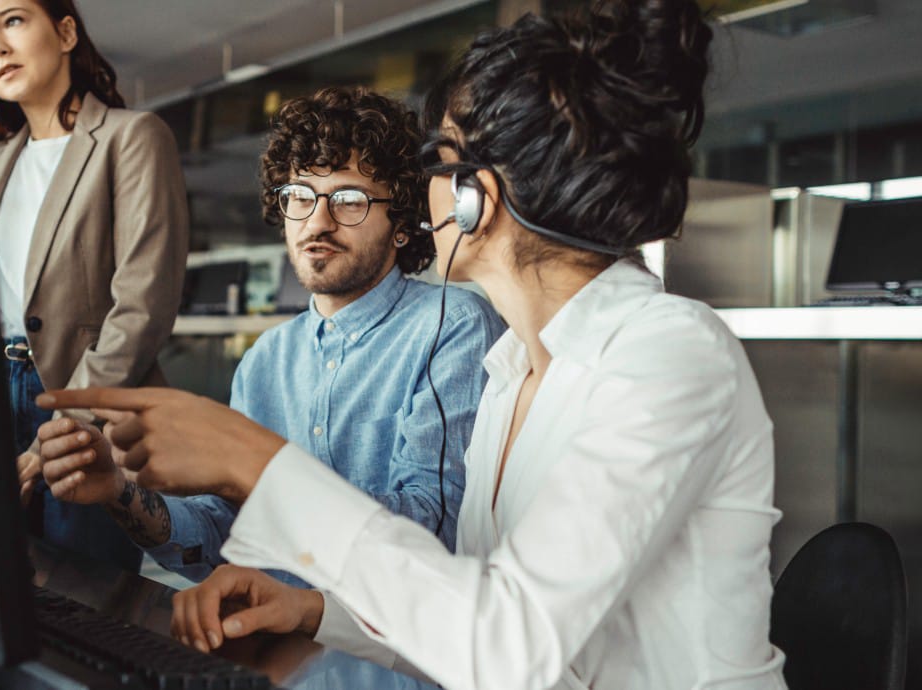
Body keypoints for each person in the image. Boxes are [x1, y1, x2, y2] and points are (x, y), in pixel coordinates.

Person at [39, 1, 790, 688]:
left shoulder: (667, 355)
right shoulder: (511, 373)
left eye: (441, 158)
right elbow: (464, 615)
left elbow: (510, 647)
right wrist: (312, 616)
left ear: (474, 197)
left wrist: (252, 462)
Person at [35, 87, 505, 583]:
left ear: (403, 224)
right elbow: (224, 539)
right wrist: (119, 491)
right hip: (273, 654)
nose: (317, 222)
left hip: (384, 656)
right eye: (300, 196)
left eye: (348, 200)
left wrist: (252, 467)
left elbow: (432, 532)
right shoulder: (266, 359)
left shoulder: (450, 326)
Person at [0, 0, 188, 568]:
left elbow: (142, 306)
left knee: (88, 603)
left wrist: (67, 427)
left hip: (88, 402)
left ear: (65, 32)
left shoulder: (131, 137)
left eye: (12, 20)